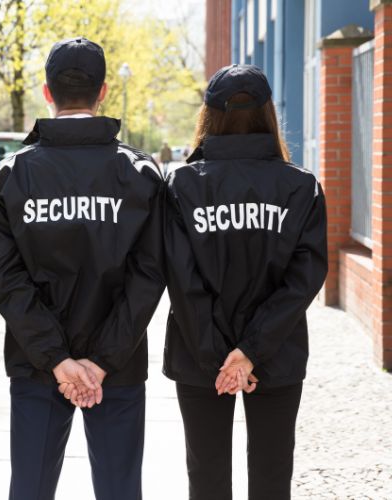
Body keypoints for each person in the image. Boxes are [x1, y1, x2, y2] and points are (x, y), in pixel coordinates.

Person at [0, 37, 165, 500]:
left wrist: (58, 361)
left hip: (37, 361)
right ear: (103, 92)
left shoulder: (13, 174)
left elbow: (6, 280)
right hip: (117, 364)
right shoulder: (140, 173)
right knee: (120, 489)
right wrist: (101, 361)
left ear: (47, 93)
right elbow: (149, 278)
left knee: (30, 488)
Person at [163, 64, 328, 500]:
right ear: (268, 114)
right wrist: (249, 352)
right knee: (273, 477)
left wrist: (221, 355)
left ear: (208, 115)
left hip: (201, 358)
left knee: (206, 477)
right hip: (277, 351)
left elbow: (182, 281)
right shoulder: (301, 186)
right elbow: (304, 279)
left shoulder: (182, 184)